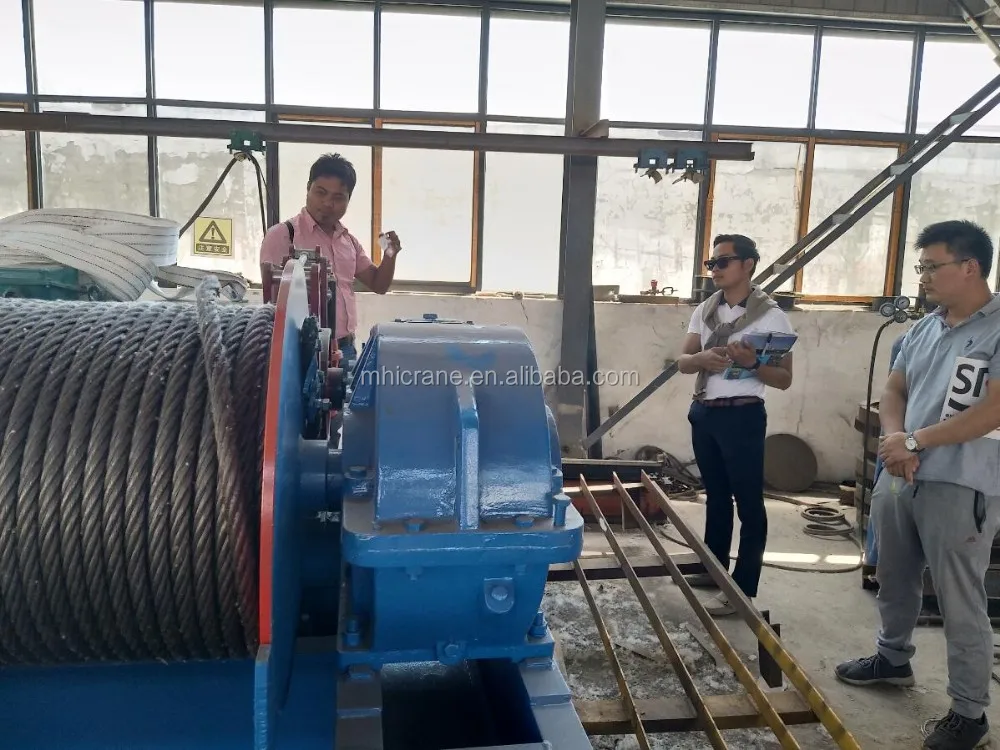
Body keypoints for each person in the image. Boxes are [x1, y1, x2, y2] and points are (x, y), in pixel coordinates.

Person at [835, 219, 1000, 750]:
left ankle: (969, 712)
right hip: (902, 473)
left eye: (932, 265)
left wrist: (915, 441)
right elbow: (894, 390)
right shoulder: (924, 328)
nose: (922, 276)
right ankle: (892, 657)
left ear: (970, 267)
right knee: (893, 572)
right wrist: (895, 440)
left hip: (961, 481)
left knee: (959, 596)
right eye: (921, 266)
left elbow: (992, 411)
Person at [677, 234, 795, 617]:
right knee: (716, 496)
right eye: (711, 263)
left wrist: (751, 365)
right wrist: (702, 359)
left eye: (723, 262)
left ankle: (742, 589)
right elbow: (682, 362)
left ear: (748, 265)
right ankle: (713, 570)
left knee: (748, 503)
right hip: (705, 413)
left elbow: (783, 379)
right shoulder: (706, 310)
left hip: (742, 416)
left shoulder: (771, 317)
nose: (715, 270)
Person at [260, 153, 401, 363]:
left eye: (338, 197)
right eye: (321, 192)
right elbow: (271, 302)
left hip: (346, 348)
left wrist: (390, 253)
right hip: (301, 350)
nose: (327, 203)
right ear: (308, 188)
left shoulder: (348, 241)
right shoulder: (283, 235)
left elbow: (379, 284)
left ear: (348, 200)